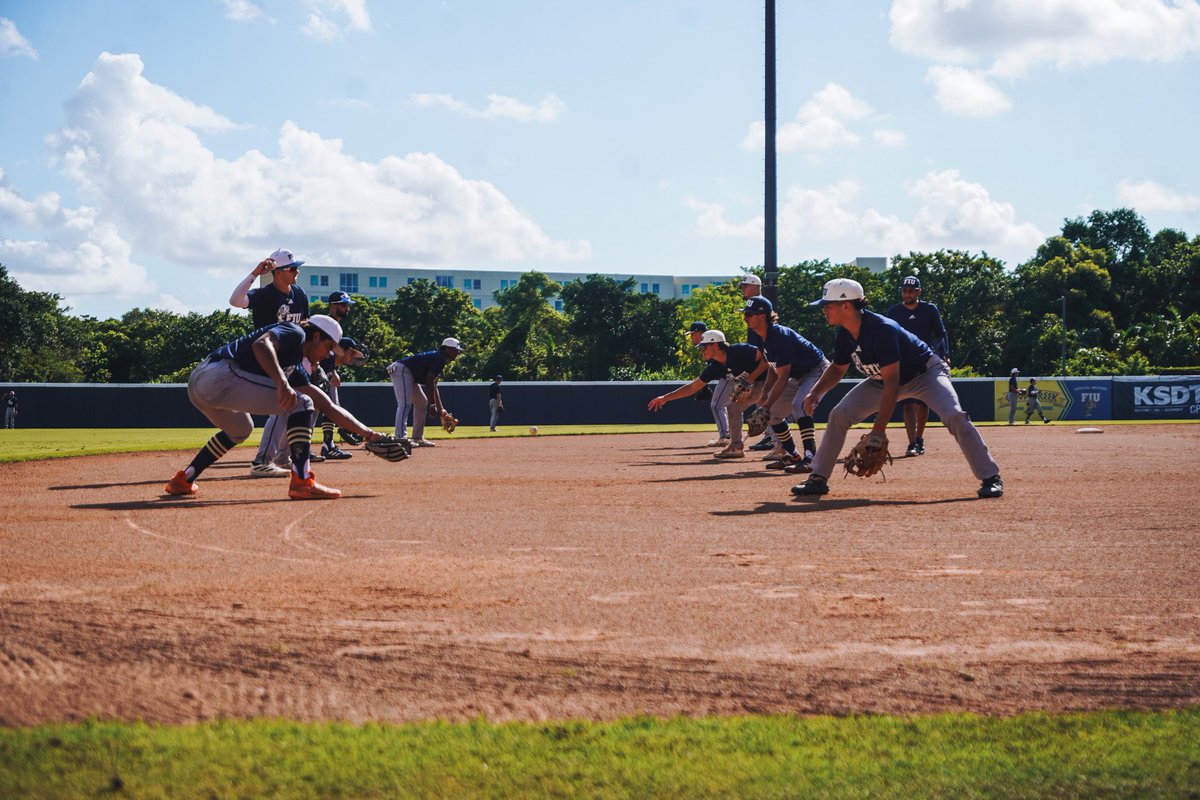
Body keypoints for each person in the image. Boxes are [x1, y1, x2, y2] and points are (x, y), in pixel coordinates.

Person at [791, 278, 1004, 499]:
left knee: (954, 415)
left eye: (828, 305)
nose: (824, 310)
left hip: (925, 375)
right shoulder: (845, 333)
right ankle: (818, 478)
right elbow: (837, 368)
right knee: (839, 415)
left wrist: (878, 430)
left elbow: (893, 383)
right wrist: (815, 392)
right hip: (881, 381)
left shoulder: (882, 329)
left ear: (846, 306)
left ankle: (991, 477)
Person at [163, 315, 383, 500]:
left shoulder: (294, 365)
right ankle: (302, 481)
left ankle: (184, 479)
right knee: (302, 403)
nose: (328, 354)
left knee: (240, 429)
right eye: (329, 347)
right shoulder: (295, 332)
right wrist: (281, 382)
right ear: (316, 336)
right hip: (219, 375)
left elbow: (327, 405)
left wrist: (370, 435)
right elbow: (261, 344)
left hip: (202, 384)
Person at [229, 248, 312, 478]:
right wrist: (255, 273)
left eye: (296, 267)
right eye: (292, 268)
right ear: (278, 271)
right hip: (268, 360)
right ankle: (262, 460)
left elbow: (305, 324)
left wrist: (308, 360)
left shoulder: (300, 294)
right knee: (284, 405)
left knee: (307, 403)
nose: (297, 271)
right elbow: (235, 301)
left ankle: (283, 456)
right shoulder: (265, 295)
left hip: (293, 361)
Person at [648, 329, 767, 458]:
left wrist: (750, 379)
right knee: (734, 407)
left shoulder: (739, 350)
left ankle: (777, 445)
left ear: (714, 345)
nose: (701, 350)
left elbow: (766, 359)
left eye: (703, 347)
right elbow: (693, 387)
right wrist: (665, 398)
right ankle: (736, 447)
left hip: (769, 380)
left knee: (773, 410)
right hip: (753, 385)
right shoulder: (715, 367)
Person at [743, 296, 829, 472]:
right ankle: (793, 455)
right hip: (796, 376)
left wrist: (766, 405)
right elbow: (773, 368)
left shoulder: (780, 335)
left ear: (762, 316)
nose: (745, 317)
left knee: (799, 405)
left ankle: (810, 458)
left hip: (817, 370)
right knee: (773, 414)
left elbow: (783, 376)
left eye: (749, 314)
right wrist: (765, 394)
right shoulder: (760, 337)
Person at [885, 275, 949, 457]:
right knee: (908, 403)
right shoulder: (894, 312)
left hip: (924, 359)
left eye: (911, 291)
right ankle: (912, 442)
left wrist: (944, 354)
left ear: (918, 291)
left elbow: (940, 333)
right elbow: (887, 336)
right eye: (905, 290)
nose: (908, 294)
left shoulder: (929, 309)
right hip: (904, 362)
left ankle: (919, 438)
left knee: (923, 402)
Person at [388, 338, 463, 446]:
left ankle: (417, 438)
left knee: (422, 402)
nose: (458, 353)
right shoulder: (439, 358)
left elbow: (434, 385)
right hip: (401, 370)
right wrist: (432, 405)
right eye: (456, 350)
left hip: (409, 374)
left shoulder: (439, 358)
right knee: (404, 403)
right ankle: (400, 437)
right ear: (447, 349)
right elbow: (429, 381)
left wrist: (441, 410)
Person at [314, 291, 356, 460]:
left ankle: (328, 445)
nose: (347, 308)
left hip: (327, 371)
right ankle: (305, 448)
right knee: (315, 409)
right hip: (316, 371)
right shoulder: (325, 323)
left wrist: (334, 371)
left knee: (331, 407)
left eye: (347, 305)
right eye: (343, 305)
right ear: (333, 305)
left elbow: (330, 352)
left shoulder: (335, 326)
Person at [739, 274, 777, 453]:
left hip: (766, 361)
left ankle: (773, 437)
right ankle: (770, 436)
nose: (742, 289)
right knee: (762, 400)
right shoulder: (753, 304)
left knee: (767, 400)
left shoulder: (761, 304)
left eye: (745, 286)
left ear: (755, 286)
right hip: (762, 359)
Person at [686, 321, 729, 447]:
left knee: (717, 405)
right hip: (729, 377)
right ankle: (731, 436)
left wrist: (703, 384)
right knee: (730, 406)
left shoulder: (711, 345)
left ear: (699, 332)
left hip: (730, 377)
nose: (691, 337)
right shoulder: (707, 347)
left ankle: (726, 436)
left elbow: (716, 368)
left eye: (693, 334)